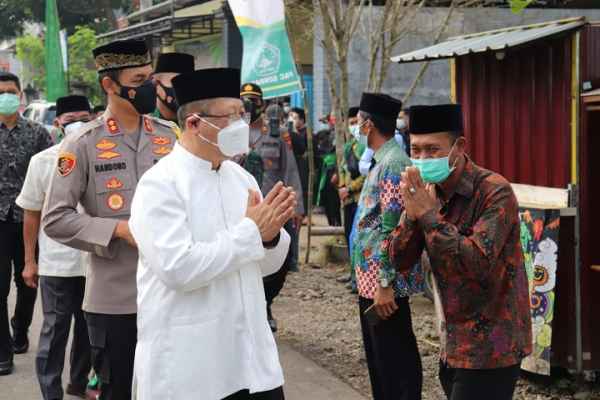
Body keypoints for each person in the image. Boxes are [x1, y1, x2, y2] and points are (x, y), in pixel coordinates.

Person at [129, 67, 293, 400]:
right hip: (192, 363)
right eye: (230, 116)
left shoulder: (242, 179)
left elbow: (264, 265)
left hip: (251, 360)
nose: (241, 125)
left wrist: (270, 238)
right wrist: (252, 233)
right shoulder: (160, 184)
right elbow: (178, 268)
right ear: (194, 123)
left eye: (242, 114)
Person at [42, 39, 178, 400]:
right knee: (118, 390)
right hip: (116, 299)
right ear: (109, 85)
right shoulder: (81, 144)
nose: (149, 88)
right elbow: (55, 218)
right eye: (138, 80)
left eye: (151, 78)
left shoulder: (171, 137)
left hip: (171, 293)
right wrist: (117, 229)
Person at [386, 104, 532, 400]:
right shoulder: (427, 190)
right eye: (416, 150)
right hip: (453, 343)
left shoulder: (494, 191)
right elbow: (399, 260)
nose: (423, 159)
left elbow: (476, 262)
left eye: (433, 150)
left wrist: (429, 217)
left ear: (459, 147)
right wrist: (411, 218)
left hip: (492, 346)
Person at [16, 95, 92, 399]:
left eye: (84, 118)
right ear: (58, 123)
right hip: (57, 263)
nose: (78, 124)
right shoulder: (44, 161)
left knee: (89, 330)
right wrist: (29, 260)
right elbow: (31, 212)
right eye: (71, 119)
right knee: (55, 329)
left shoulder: (103, 156)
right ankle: (51, 392)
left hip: (97, 261)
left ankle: (79, 382)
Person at [352, 93, 423, 400]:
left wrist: (385, 283)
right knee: (381, 360)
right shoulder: (382, 160)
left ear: (368, 125)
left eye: (358, 122)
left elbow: (392, 229)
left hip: (384, 285)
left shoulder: (393, 164)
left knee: (394, 362)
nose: (356, 128)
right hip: (372, 281)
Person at [0, 71, 53, 375]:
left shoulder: (38, 133)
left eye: (10, 91)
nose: (5, 96)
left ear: (20, 95)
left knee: (27, 282)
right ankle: (2, 352)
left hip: (29, 221)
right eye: (0, 92)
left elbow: (51, 176)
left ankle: (20, 328)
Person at [241, 83, 304, 332]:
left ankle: (266, 303)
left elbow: (290, 169)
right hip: (243, 210)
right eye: (244, 100)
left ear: (263, 103)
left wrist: (296, 206)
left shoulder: (277, 134)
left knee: (280, 261)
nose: (249, 105)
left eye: (254, 100)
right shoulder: (231, 133)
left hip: (273, 209)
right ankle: (250, 307)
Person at [337, 106, 366, 291]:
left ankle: (359, 277)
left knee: (358, 238)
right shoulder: (349, 145)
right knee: (349, 235)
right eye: (352, 123)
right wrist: (341, 187)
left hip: (359, 198)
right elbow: (342, 168)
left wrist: (349, 188)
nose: (354, 126)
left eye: (357, 122)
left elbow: (366, 174)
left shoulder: (365, 147)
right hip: (347, 198)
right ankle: (352, 272)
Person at [359, 109, 410, 176]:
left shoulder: (401, 137)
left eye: (400, 118)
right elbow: (362, 165)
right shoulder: (374, 138)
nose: (398, 120)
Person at [152, 52, 195, 122]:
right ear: (156, 84)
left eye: (188, 84)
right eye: (176, 82)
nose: (183, 89)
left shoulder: (199, 123)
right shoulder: (144, 123)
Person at [288, 107, 309, 212]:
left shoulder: (306, 133)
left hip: (302, 167)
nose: (291, 120)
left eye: (294, 117)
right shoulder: (287, 132)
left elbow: (302, 149)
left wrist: (294, 132)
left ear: (301, 120)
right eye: (290, 117)